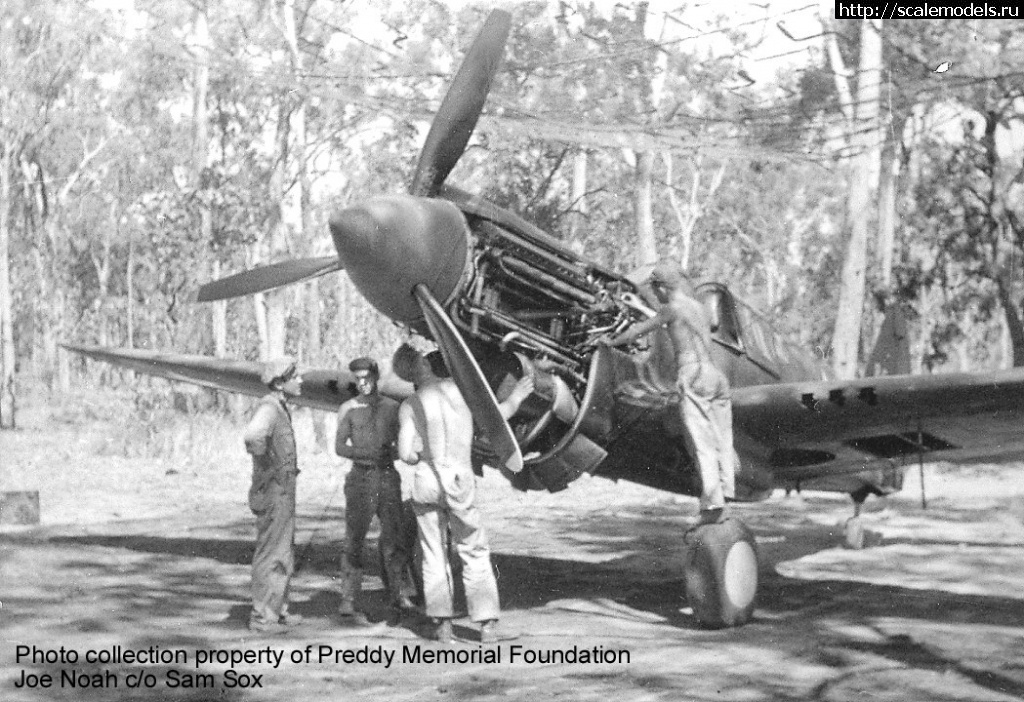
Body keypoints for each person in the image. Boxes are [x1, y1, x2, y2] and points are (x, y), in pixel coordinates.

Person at [392, 345, 533, 644]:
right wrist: (517, 397)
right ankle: (486, 625)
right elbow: (497, 417)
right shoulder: (458, 389)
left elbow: (405, 453)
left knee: (433, 553)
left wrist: (420, 456)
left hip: (426, 481)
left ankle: (443, 626)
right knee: (473, 550)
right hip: (458, 478)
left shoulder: (409, 405)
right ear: (424, 364)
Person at [601, 264, 735, 524]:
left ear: (663, 287)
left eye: (656, 289)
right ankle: (727, 490)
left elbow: (636, 332)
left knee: (701, 443)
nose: (656, 294)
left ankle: (712, 507)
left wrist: (610, 342)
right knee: (722, 439)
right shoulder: (698, 308)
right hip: (716, 377)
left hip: (693, 373)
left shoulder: (670, 309)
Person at [334, 356, 416, 623]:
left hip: (387, 476)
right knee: (354, 539)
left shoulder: (393, 408)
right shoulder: (347, 408)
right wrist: (361, 453)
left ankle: (399, 593)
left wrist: (389, 454)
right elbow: (339, 446)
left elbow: (403, 442)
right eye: (357, 379)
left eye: (366, 378)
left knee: (395, 537)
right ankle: (349, 596)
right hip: (360, 478)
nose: (362, 383)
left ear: (376, 377)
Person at [243, 357, 303, 633]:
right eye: (295, 376)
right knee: (271, 552)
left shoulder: (280, 407)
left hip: (283, 490)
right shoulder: (269, 408)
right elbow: (253, 437)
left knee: (284, 551)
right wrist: (268, 470)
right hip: (274, 491)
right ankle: (262, 617)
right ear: (280, 383)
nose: (300, 380)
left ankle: (277, 610)